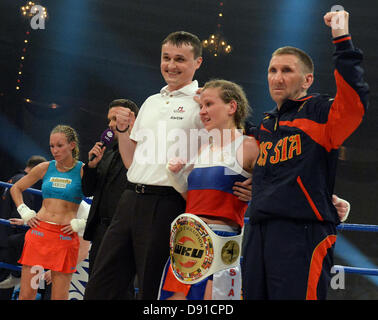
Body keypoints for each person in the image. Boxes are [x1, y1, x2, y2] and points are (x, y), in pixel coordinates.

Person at [83, 31, 252, 300]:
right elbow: (131, 161)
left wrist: (251, 179)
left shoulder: (203, 104)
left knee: (153, 287)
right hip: (128, 199)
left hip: (169, 203)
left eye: (180, 59)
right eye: (166, 58)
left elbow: (233, 140)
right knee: (101, 284)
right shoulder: (150, 101)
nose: (171, 65)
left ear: (197, 62)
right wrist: (124, 131)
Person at [242, 10, 369, 300]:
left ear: (307, 79)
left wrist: (342, 41)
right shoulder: (265, 125)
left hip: (302, 234)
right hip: (259, 231)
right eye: (272, 70)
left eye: (287, 70)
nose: (277, 77)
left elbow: (354, 103)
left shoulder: (321, 112)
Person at [158, 79, 260, 300]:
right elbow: (194, 199)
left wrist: (259, 191)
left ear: (232, 107)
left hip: (221, 245)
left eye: (209, 105)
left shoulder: (249, 146)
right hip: (186, 242)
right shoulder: (203, 148)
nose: (202, 112)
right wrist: (175, 178)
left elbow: (283, 179)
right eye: (201, 106)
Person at [9, 125, 88, 300]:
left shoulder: (82, 170)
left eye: (60, 146)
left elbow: (104, 201)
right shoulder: (45, 167)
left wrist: (83, 222)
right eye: (52, 146)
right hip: (39, 234)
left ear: (72, 145)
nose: (55, 150)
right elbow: (16, 188)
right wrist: (25, 211)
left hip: (64, 238)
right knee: (27, 295)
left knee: (59, 297)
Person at [81, 98, 139, 298]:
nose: (111, 124)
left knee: (121, 288)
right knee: (95, 284)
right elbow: (88, 190)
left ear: (132, 119)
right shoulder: (105, 152)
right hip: (100, 230)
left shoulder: (141, 151)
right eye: (109, 120)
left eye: (116, 118)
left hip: (124, 229)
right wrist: (91, 167)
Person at [0, 155, 46, 299]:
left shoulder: (13, 178)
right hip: (8, 242)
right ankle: (17, 274)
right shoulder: (23, 184)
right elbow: (20, 215)